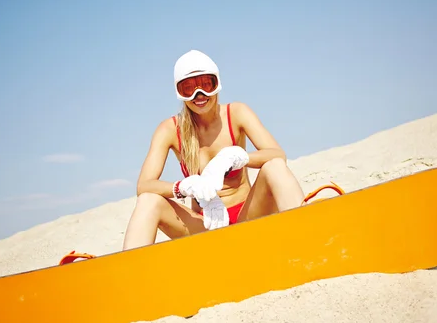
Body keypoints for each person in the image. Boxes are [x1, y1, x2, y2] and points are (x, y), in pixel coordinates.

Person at [122, 50, 305, 250]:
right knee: (149, 200)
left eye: (206, 85)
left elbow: (277, 155)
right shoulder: (169, 129)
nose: (198, 95)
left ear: (216, 84)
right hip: (205, 225)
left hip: (248, 216)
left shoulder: (236, 113)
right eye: (188, 88)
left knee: (275, 167)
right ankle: (129, 271)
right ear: (179, 92)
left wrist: (237, 157)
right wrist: (182, 187)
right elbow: (144, 186)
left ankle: (306, 239)